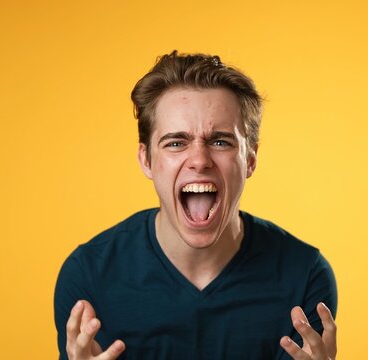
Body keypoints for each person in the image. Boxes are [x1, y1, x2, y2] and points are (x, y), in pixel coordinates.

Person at [54, 51, 338, 360]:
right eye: (176, 143)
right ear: (147, 160)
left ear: (250, 161)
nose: (200, 161)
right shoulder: (89, 275)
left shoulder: (305, 274)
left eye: (220, 141)